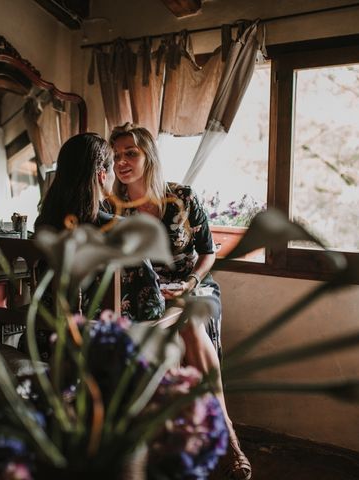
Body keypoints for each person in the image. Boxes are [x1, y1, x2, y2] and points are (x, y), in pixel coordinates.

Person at [109, 123, 252, 480]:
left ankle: (229, 440)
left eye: (130, 153)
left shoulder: (183, 197)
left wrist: (189, 282)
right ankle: (198, 442)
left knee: (190, 317)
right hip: (148, 294)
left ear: (148, 156)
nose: (121, 161)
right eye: (115, 157)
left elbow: (208, 252)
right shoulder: (114, 209)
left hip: (193, 286)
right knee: (172, 339)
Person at [35, 132, 165, 323]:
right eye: (113, 166)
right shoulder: (121, 230)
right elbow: (152, 307)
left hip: (45, 340)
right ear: (103, 176)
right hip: (98, 344)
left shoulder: (43, 226)